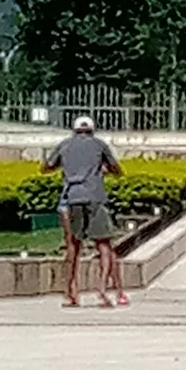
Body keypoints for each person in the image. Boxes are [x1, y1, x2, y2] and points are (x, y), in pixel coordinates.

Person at [42, 117, 128, 308]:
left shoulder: (64, 145)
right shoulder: (99, 145)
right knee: (104, 245)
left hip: (72, 197)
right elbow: (116, 169)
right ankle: (103, 291)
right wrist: (103, 171)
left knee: (73, 246)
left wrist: (67, 168)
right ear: (92, 130)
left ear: (74, 130)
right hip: (95, 196)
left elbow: (45, 168)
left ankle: (71, 293)